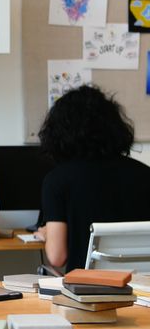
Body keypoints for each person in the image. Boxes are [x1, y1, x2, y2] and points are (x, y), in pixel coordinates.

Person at [34, 85, 150, 272]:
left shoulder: (57, 181)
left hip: (87, 293)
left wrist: (50, 235)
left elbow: (57, 257)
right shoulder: (145, 174)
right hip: (142, 294)